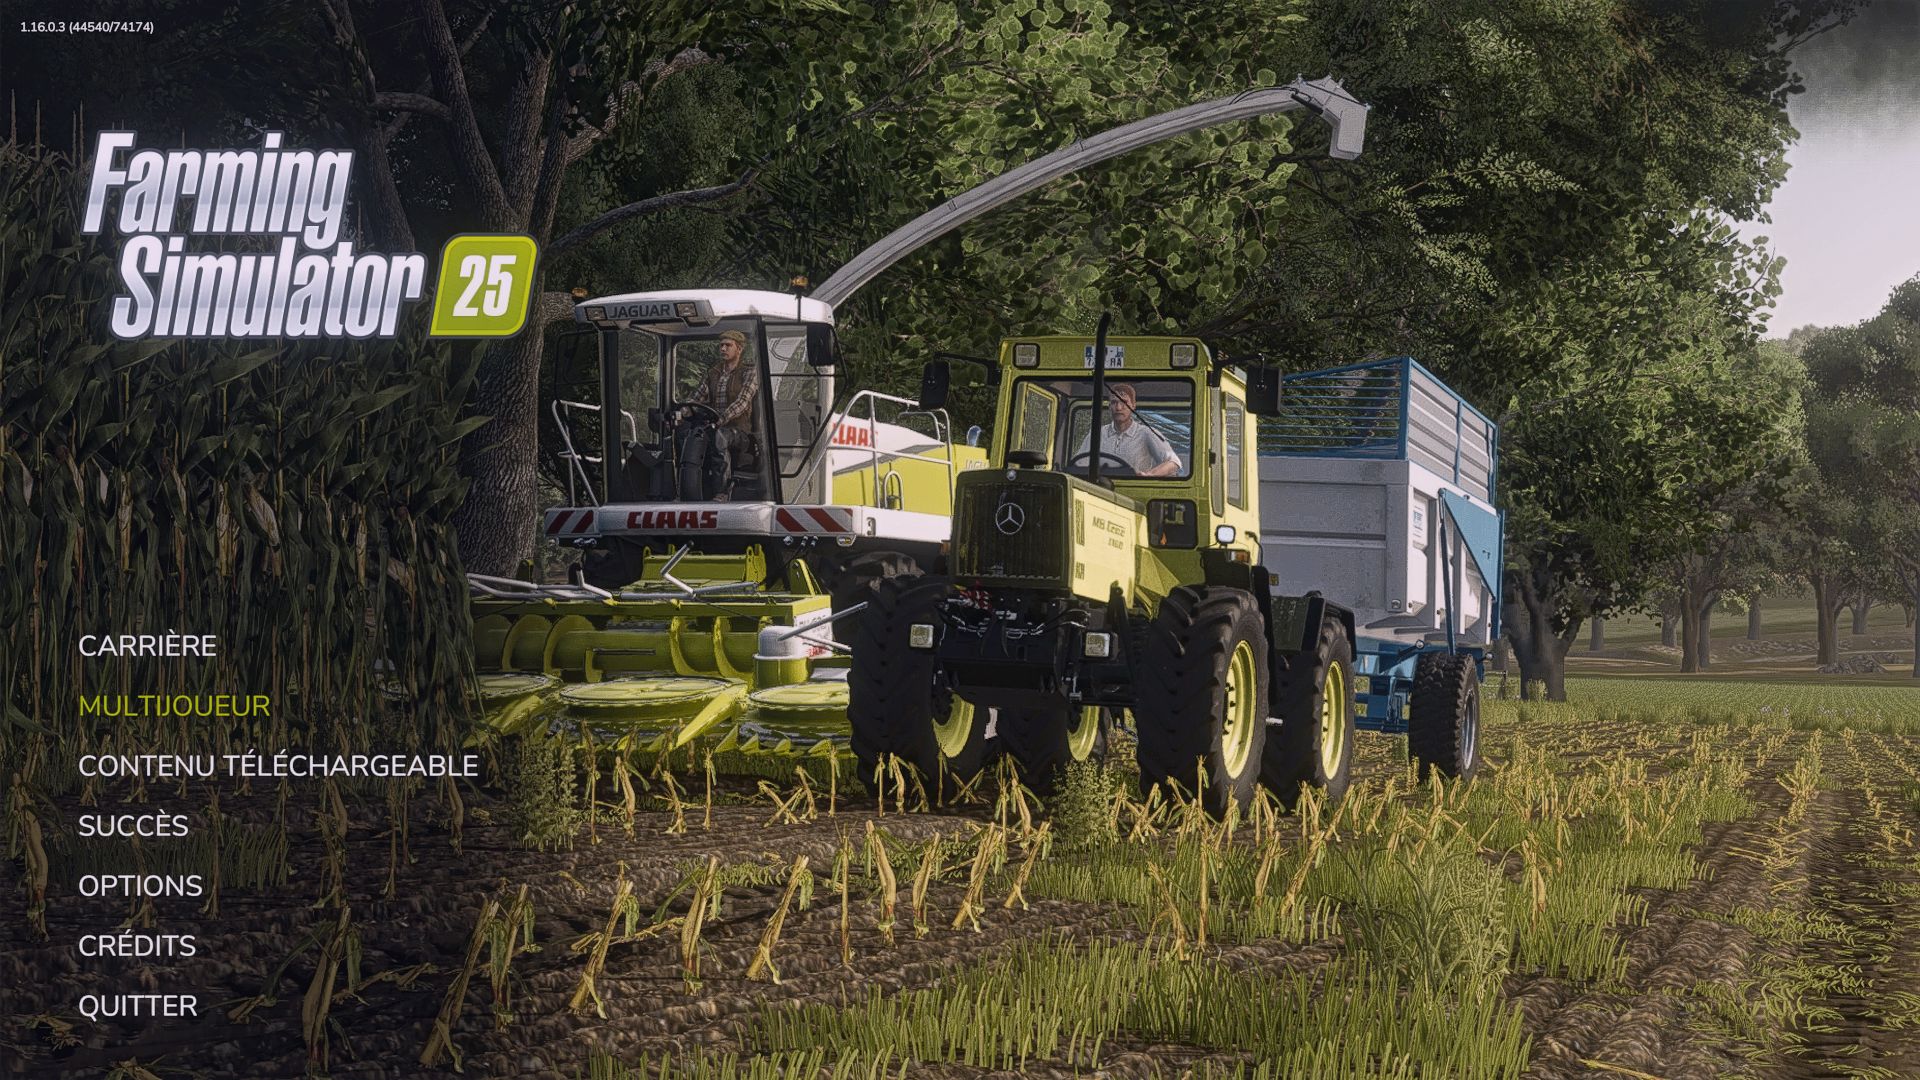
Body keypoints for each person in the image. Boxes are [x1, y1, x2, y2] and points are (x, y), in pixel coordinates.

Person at [687, 329, 762, 499]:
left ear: (739, 349)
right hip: (715, 426)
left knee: (720, 436)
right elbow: (697, 397)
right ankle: (687, 487)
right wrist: (685, 409)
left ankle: (722, 491)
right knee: (689, 433)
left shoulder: (749, 372)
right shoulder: (713, 373)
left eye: (728, 345)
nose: (723, 349)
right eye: (721, 345)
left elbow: (742, 402)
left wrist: (722, 418)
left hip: (741, 432)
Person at [1075, 382, 1180, 477]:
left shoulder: (1147, 433)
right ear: (1109, 406)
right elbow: (1079, 465)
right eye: (1114, 402)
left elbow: (1173, 462)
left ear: (1133, 405)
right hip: (1100, 490)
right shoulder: (1097, 434)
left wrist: (1149, 475)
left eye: (1124, 402)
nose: (1119, 408)